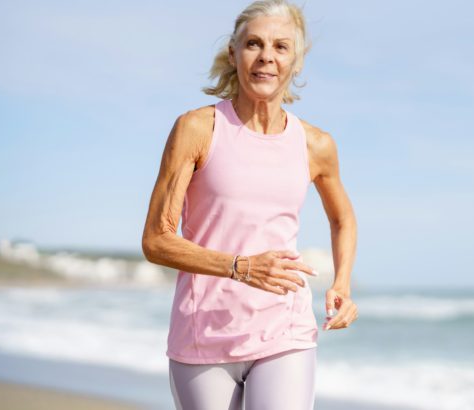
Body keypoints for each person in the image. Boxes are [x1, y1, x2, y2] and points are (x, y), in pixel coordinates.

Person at [142, 1, 358, 408]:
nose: (266, 57)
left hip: (285, 327)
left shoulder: (316, 145)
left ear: (295, 60)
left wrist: (342, 284)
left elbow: (342, 218)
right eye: (253, 44)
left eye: (281, 47)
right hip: (204, 331)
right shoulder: (198, 128)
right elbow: (156, 240)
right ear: (233, 53)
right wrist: (241, 267)